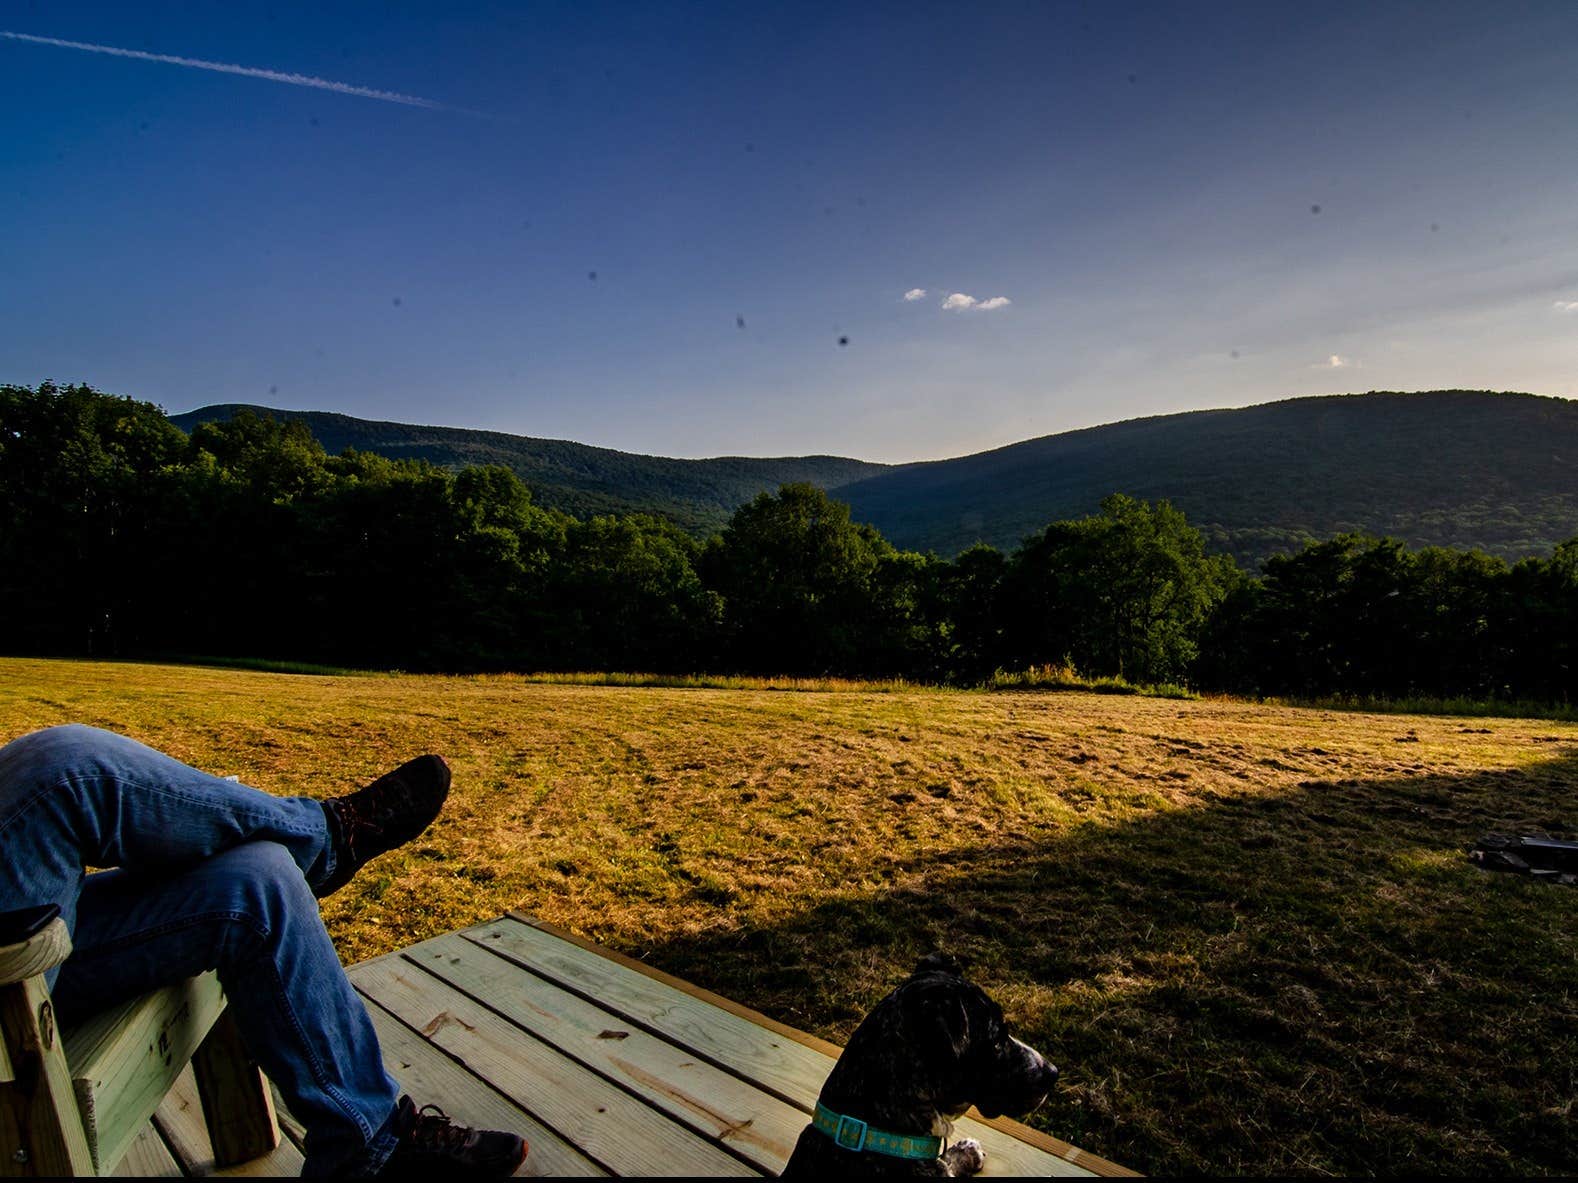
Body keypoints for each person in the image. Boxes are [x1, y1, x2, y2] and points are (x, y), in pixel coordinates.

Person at [0, 723, 527, 1178]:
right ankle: (328, 836)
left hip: (36, 939)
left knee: (261, 877)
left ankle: (367, 1147)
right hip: (13, 983)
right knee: (58, 771)